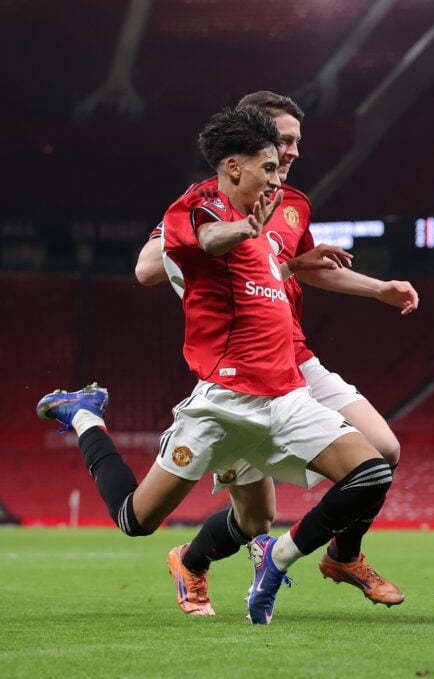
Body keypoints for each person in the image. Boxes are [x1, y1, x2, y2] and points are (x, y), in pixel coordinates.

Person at [38, 106, 392, 626]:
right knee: (136, 520)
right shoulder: (200, 205)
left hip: (287, 395)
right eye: (268, 167)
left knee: (368, 473)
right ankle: (85, 415)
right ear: (233, 166)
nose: (278, 178)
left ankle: (280, 559)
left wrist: (295, 261)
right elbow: (205, 241)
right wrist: (245, 228)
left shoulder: (274, 220)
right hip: (224, 405)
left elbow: (263, 275)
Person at [136, 91, 418, 616]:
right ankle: (191, 562)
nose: (290, 153)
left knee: (383, 450)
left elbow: (298, 267)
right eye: (281, 142)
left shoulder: (295, 204)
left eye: (295, 144)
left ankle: (343, 555)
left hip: (294, 356)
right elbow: (150, 268)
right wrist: (223, 235)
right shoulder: (206, 198)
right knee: (254, 519)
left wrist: (377, 288)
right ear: (247, 151)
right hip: (240, 366)